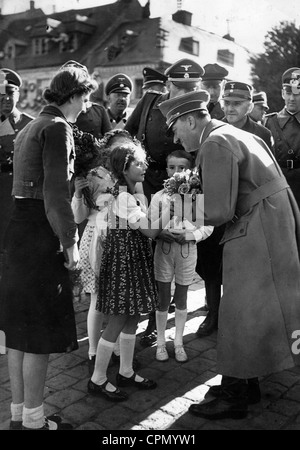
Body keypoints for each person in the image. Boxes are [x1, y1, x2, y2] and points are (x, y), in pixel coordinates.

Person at [159, 90, 300, 420]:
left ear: (191, 120)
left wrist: (180, 210)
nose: (176, 136)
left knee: (239, 309)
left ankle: (235, 395)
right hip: (273, 218)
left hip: (257, 226)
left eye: (177, 128)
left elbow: (220, 209)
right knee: (254, 308)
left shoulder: (215, 143)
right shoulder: (232, 132)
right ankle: (244, 382)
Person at [0, 62, 98, 430]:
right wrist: (70, 245)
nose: (87, 107)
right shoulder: (58, 128)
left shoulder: (29, 127)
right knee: (38, 332)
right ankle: (36, 422)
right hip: (41, 233)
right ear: (74, 95)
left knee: (18, 331)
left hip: (18, 231)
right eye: (85, 98)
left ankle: (19, 415)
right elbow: (57, 194)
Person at [125, 58, 204, 346]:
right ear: (167, 84)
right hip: (149, 180)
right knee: (150, 245)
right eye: (177, 86)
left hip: (184, 182)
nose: (182, 92)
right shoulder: (149, 102)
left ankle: (165, 315)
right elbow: (128, 133)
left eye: (188, 88)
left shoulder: (195, 109)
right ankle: (150, 317)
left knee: (178, 240)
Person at [87, 142, 173, 401]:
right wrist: (173, 206)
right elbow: (148, 230)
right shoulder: (123, 196)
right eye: (138, 163)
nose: (144, 166)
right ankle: (98, 378)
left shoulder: (133, 191)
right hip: (125, 264)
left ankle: (126, 371)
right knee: (117, 320)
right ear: (124, 168)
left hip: (133, 260)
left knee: (132, 317)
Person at [72, 129, 140, 376]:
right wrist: (79, 194)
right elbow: (79, 217)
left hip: (122, 239)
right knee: (98, 299)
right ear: (105, 152)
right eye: (115, 150)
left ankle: (118, 350)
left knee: (120, 298)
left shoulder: (131, 176)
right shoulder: (94, 176)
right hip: (97, 239)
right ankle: (93, 350)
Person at [149, 150, 213, 363]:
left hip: (187, 251)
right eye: (172, 167)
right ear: (166, 169)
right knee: (163, 297)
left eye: (182, 168)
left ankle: (178, 342)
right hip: (164, 250)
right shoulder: (159, 196)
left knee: (182, 296)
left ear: (191, 170)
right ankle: (160, 342)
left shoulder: (196, 196)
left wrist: (191, 235)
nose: (177, 172)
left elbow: (207, 226)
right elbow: (149, 223)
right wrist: (160, 233)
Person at [196, 63, 228, 324]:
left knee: (225, 257)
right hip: (202, 192)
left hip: (225, 196)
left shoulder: (225, 117)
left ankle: (221, 311)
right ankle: (212, 309)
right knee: (206, 254)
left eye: (216, 86)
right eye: (208, 86)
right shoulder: (197, 113)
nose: (212, 90)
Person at [0, 68, 34, 274]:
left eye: (10, 93)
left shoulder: (30, 125)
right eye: (1, 94)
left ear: (18, 95)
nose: (5, 99)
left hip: (20, 197)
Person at [265, 67, 300, 207]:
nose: (292, 98)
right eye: (288, 93)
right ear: (282, 94)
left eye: (297, 94)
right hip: (276, 186)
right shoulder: (268, 122)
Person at [222, 81, 273, 149]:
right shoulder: (214, 130)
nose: (230, 109)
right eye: (227, 103)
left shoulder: (262, 134)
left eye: (237, 104)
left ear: (250, 107)